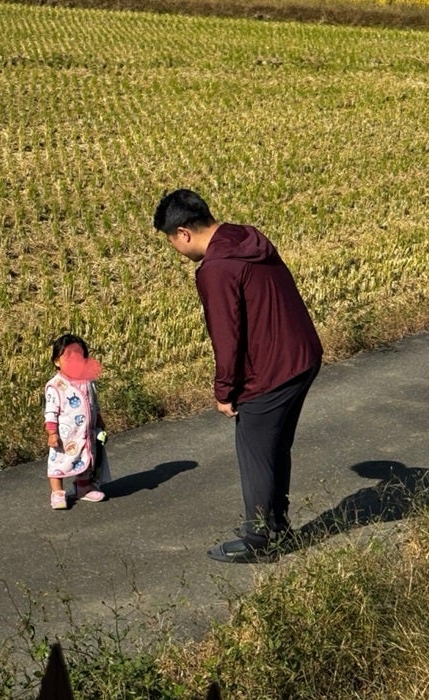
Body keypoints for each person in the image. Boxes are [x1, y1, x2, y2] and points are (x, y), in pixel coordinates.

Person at [153, 189, 323, 563]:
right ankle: (276, 526)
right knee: (275, 446)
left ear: (183, 233)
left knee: (255, 451)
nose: (176, 250)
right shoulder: (246, 238)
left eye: (171, 242)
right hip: (303, 356)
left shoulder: (216, 268)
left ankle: (261, 537)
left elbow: (226, 336)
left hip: (270, 370)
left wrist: (224, 390)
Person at [44, 333, 111, 510]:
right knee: (59, 461)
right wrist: (52, 433)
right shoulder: (56, 385)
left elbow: (93, 403)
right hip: (65, 435)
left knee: (86, 457)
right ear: (57, 362)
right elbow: (51, 411)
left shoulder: (88, 381)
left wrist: (99, 420)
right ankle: (57, 492)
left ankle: (84, 487)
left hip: (85, 431)